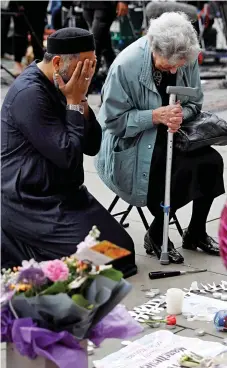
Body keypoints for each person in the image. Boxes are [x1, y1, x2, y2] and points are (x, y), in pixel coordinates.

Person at [1, 27, 137, 278]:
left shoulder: (68, 84)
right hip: (31, 201)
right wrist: (73, 102)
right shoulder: (29, 94)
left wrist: (81, 102)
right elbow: (69, 157)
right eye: (84, 66)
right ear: (56, 62)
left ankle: (32, 251)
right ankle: (15, 246)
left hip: (66, 194)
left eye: (93, 65)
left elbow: (93, 144)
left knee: (122, 251)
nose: (89, 73)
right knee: (107, 261)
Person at [95, 12, 225, 264]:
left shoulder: (184, 54)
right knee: (178, 171)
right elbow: (113, 122)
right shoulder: (125, 65)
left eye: (181, 63)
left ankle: (195, 232)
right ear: (154, 48)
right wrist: (154, 116)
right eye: (169, 64)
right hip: (132, 141)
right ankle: (156, 233)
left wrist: (178, 113)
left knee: (211, 162)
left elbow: (195, 102)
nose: (176, 69)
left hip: (173, 132)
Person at [81, 1, 129, 91]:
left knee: (96, 45)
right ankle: (119, 86)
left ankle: (83, 92)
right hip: (87, 4)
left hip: (106, 5)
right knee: (105, 47)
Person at [9, 1, 49, 76]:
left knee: (38, 33)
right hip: (20, 4)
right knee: (20, 33)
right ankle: (18, 63)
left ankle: (38, 63)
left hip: (39, 5)